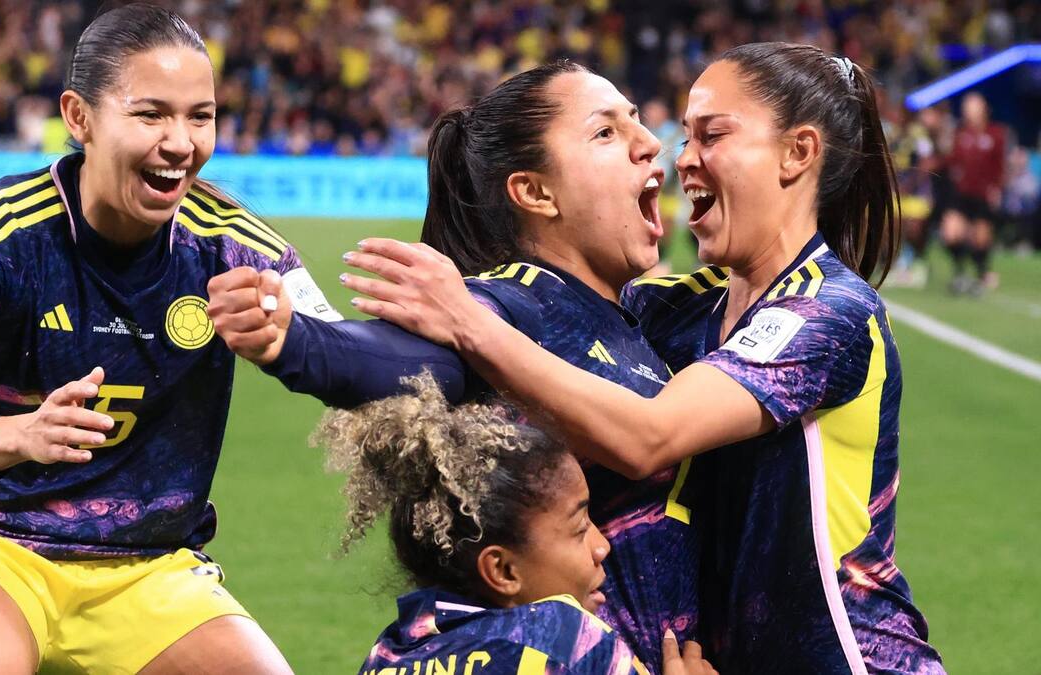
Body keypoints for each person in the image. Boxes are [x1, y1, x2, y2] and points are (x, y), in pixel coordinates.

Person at [338, 43, 945, 674]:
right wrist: (303, 334)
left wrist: (470, 324)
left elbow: (649, 435)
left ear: (797, 153)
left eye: (712, 136)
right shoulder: (671, 311)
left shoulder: (830, 312)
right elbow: (550, 312)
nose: (680, 156)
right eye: (686, 135)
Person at [0, 5, 340, 673]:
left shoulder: (234, 248)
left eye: (200, 116)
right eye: (151, 115)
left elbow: (354, 363)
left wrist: (298, 340)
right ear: (79, 117)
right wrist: (19, 434)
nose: (180, 142)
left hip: (142, 565)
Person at [208, 61, 699, 672]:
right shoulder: (508, 305)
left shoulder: (641, 314)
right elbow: (406, 362)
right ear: (535, 193)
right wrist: (297, 342)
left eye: (635, 119)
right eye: (605, 132)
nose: (648, 142)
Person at [316, 375, 714, 675]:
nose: (602, 545)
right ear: (503, 570)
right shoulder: (566, 641)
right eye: (579, 528)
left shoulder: (385, 656)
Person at [940, 92, 1007, 295]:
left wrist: (997, 188)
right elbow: (951, 160)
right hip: (961, 194)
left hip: (983, 195)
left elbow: (1000, 165)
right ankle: (960, 271)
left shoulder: (995, 134)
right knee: (951, 233)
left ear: (983, 109)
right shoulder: (960, 134)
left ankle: (982, 273)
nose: (968, 111)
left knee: (980, 238)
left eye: (973, 106)